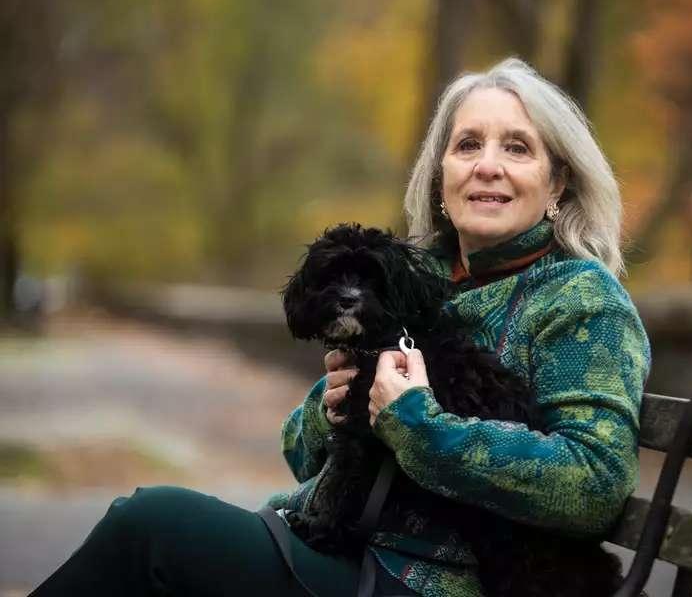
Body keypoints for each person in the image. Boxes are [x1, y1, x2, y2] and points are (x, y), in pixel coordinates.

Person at [29, 57, 649, 597]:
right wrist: (326, 414)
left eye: (517, 147)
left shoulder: (581, 300)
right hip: (347, 551)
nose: (488, 165)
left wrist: (416, 427)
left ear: (557, 184)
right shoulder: (410, 277)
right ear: (440, 182)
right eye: (467, 146)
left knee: (150, 526)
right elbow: (301, 454)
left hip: (438, 581)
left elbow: (592, 483)